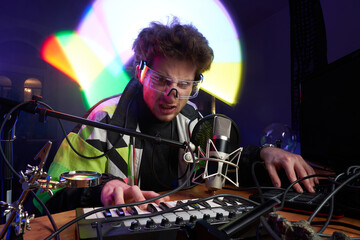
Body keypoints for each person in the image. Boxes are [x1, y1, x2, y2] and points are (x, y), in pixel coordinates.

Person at [34, 18, 318, 214]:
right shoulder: (101, 120)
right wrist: (101, 191)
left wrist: (263, 154)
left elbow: (222, 162)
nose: (172, 95)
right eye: (161, 80)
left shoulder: (193, 119)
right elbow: (47, 196)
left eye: (184, 85)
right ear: (141, 72)